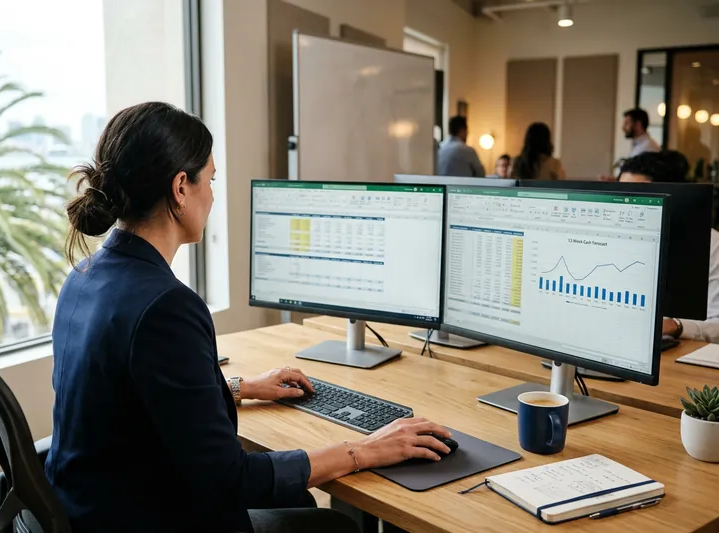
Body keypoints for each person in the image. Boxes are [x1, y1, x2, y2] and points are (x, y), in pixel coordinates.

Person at [45, 102, 454, 533]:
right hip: (151, 517)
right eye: (211, 180)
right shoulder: (166, 307)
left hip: (92, 507)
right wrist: (365, 449)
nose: (213, 195)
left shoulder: (84, 276)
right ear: (181, 187)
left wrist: (241, 387)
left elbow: (133, 402)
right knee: (334, 525)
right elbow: (231, 480)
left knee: (296, 495)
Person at [619, 151, 719, 343]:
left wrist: (675, 325)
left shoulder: (712, 245)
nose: (628, 205)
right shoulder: (619, 240)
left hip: (683, 352)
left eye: (638, 197)